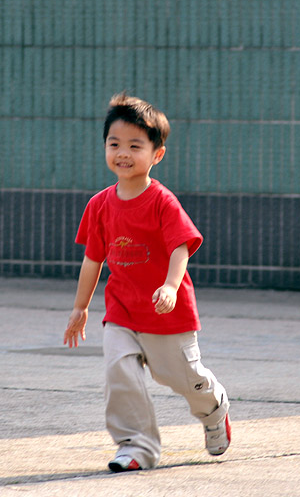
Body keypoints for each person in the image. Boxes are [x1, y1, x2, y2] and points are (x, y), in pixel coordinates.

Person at [63, 92, 231, 472]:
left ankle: (214, 408)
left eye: (135, 146)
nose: (123, 153)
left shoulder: (162, 202)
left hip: (167, 313)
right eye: (114, 144)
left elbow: (180, 248)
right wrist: (81, 306)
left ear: (157, 154)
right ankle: (136, 446)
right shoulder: (100, 205)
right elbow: (93, 260)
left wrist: (171, 287)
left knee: (184, 379)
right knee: (118, 371)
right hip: (122, 310)